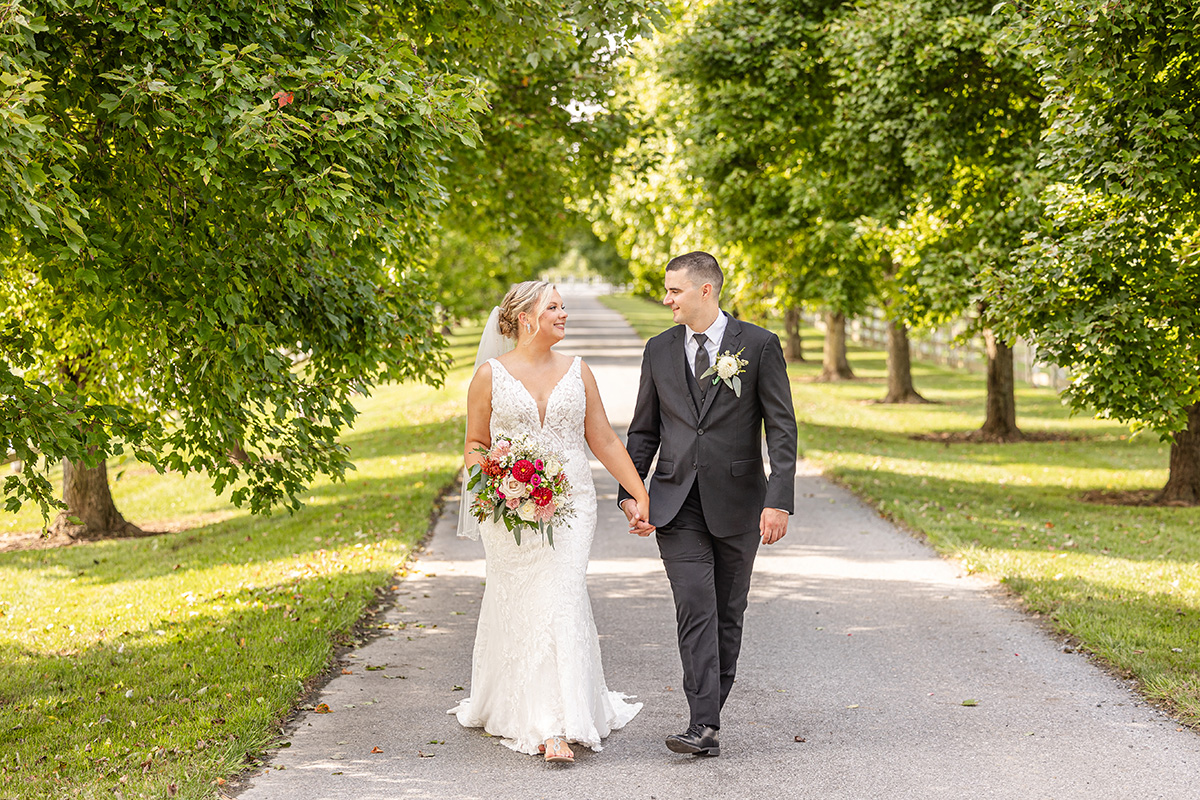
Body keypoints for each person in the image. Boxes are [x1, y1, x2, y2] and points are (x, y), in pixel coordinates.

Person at [450, 280, 651, 764]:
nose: (564, 314)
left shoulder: (578, 372)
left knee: (561, 597)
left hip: (572, 505)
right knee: (519, 603)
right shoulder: (489, 376)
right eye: (554, 307)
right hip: (509, 512)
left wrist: (640, 492)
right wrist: (500, 483)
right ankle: (528, 712)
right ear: (526, 317)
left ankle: (557, 723)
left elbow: (602, 438)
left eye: (563, 307)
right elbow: (475, 445)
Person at [619, 251, 798, 757]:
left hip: (740, 501)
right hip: (675, 503)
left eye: (674, 290)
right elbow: (644, 430)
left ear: (705, 291)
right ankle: (704, 725)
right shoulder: (657, 349)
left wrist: (779, 498)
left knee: (727, 612)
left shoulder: (759, 345)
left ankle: (708, 715)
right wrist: (631, 495)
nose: (666, 298)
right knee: (695, 604)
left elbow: (782, 428)